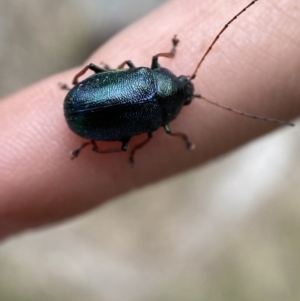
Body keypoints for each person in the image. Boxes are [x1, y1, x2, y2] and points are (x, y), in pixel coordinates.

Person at [0, 0, 299, 240]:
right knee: (126, 142)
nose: (185, 85)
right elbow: (151, 116)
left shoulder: (149, 76)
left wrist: (160, 55)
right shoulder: (162, 122)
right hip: (84, 110)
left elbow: (127, 68)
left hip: (84, 103)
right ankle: (87, 138)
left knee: (107, 69)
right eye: (186, 91)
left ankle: (79, 111)